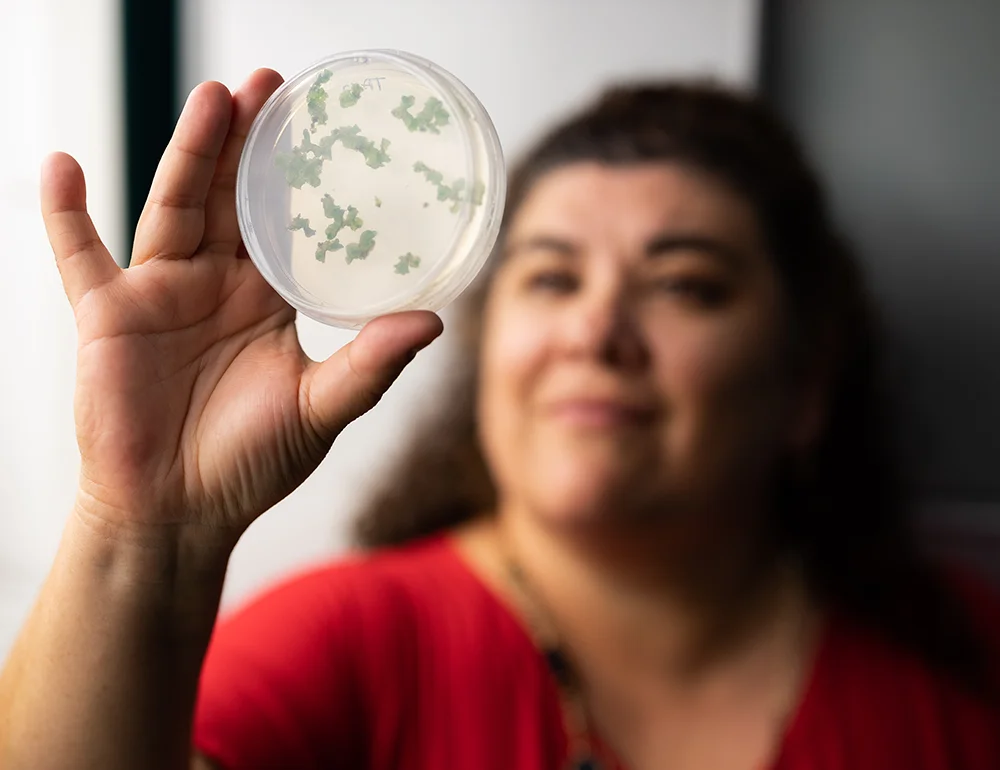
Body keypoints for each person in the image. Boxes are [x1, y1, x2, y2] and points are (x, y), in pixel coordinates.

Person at [1, 67, 998, 770]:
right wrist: (146, 530)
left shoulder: (961, 652)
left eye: (686, 284)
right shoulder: (345, 644)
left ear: (807, 375)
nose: (595, 330)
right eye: (550, 276)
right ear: (486, 343)